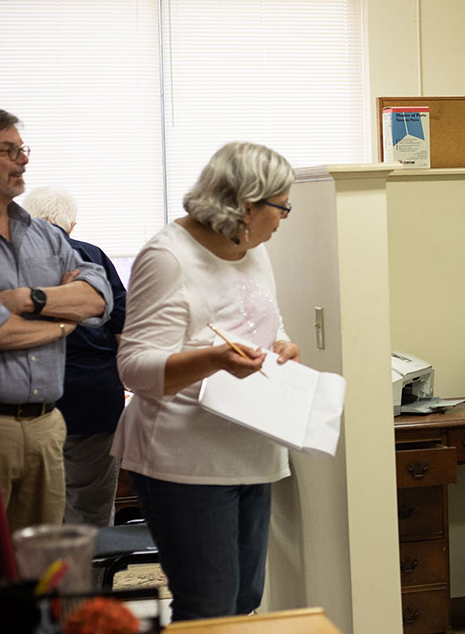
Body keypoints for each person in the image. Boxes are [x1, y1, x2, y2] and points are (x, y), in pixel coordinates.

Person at [112, 141, 300, 622]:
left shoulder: (252, 249)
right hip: (185, 462)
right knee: (208, 611)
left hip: (252, 450)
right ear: (245, 204)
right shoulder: (168, 257)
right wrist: (213, 359)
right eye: (281, 207)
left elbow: (264, 322)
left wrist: (282, 346)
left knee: (243, 603)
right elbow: (133, 366)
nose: (283, 219)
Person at [0, 108, 113, 532]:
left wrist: (30, 298)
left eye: (23, 149)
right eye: (9, 151)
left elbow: (97, 297)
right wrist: (66, 321)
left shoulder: (43, 234)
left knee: (44, 567)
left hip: (48, 423)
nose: (23, 160)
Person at [20, 187, 127, 527]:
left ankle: (44, 579)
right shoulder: (92, 255)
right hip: (94, 397)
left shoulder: (8, 256)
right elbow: (123, 330)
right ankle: (89, 578)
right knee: (92, 515)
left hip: (29, 400)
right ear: (72, 225)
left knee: (35, 518)